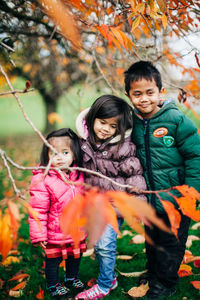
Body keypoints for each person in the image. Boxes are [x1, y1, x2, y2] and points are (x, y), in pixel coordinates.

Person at [124, 60, 200, 299]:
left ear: (161, 92)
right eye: (137, 94)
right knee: (153, 240)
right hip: (149, 199)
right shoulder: (131, 124)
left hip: (176, 199)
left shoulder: (176, 120)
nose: (144, 99)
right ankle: (156, 272)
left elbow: (195, 156)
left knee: (171, 243)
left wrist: (193, 192)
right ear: (128, 95)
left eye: (149, 92)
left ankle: (165, 283)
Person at [75, 94, 147, 299]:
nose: (105, 129)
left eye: (113, 126)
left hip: (115, 204)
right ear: (92, 118)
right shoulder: (83, 141)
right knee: (98, 243)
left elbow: (134, 176)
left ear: (120, 129)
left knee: (105, 244)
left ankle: (105, 285)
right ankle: (110, 277)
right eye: (102, 122)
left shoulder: (123, 147)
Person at [28, 128, 87, 299]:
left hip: (76, 229)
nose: (59, 157)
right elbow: (38, 210)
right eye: (53, 153)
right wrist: (40, 235)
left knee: (75, 256)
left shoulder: (80, 175)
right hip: (55, 232)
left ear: (74, 154)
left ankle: (71, 277)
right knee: (53, 260)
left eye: (65, 152)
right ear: (46, 156)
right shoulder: (43, 179)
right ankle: (53, 284)